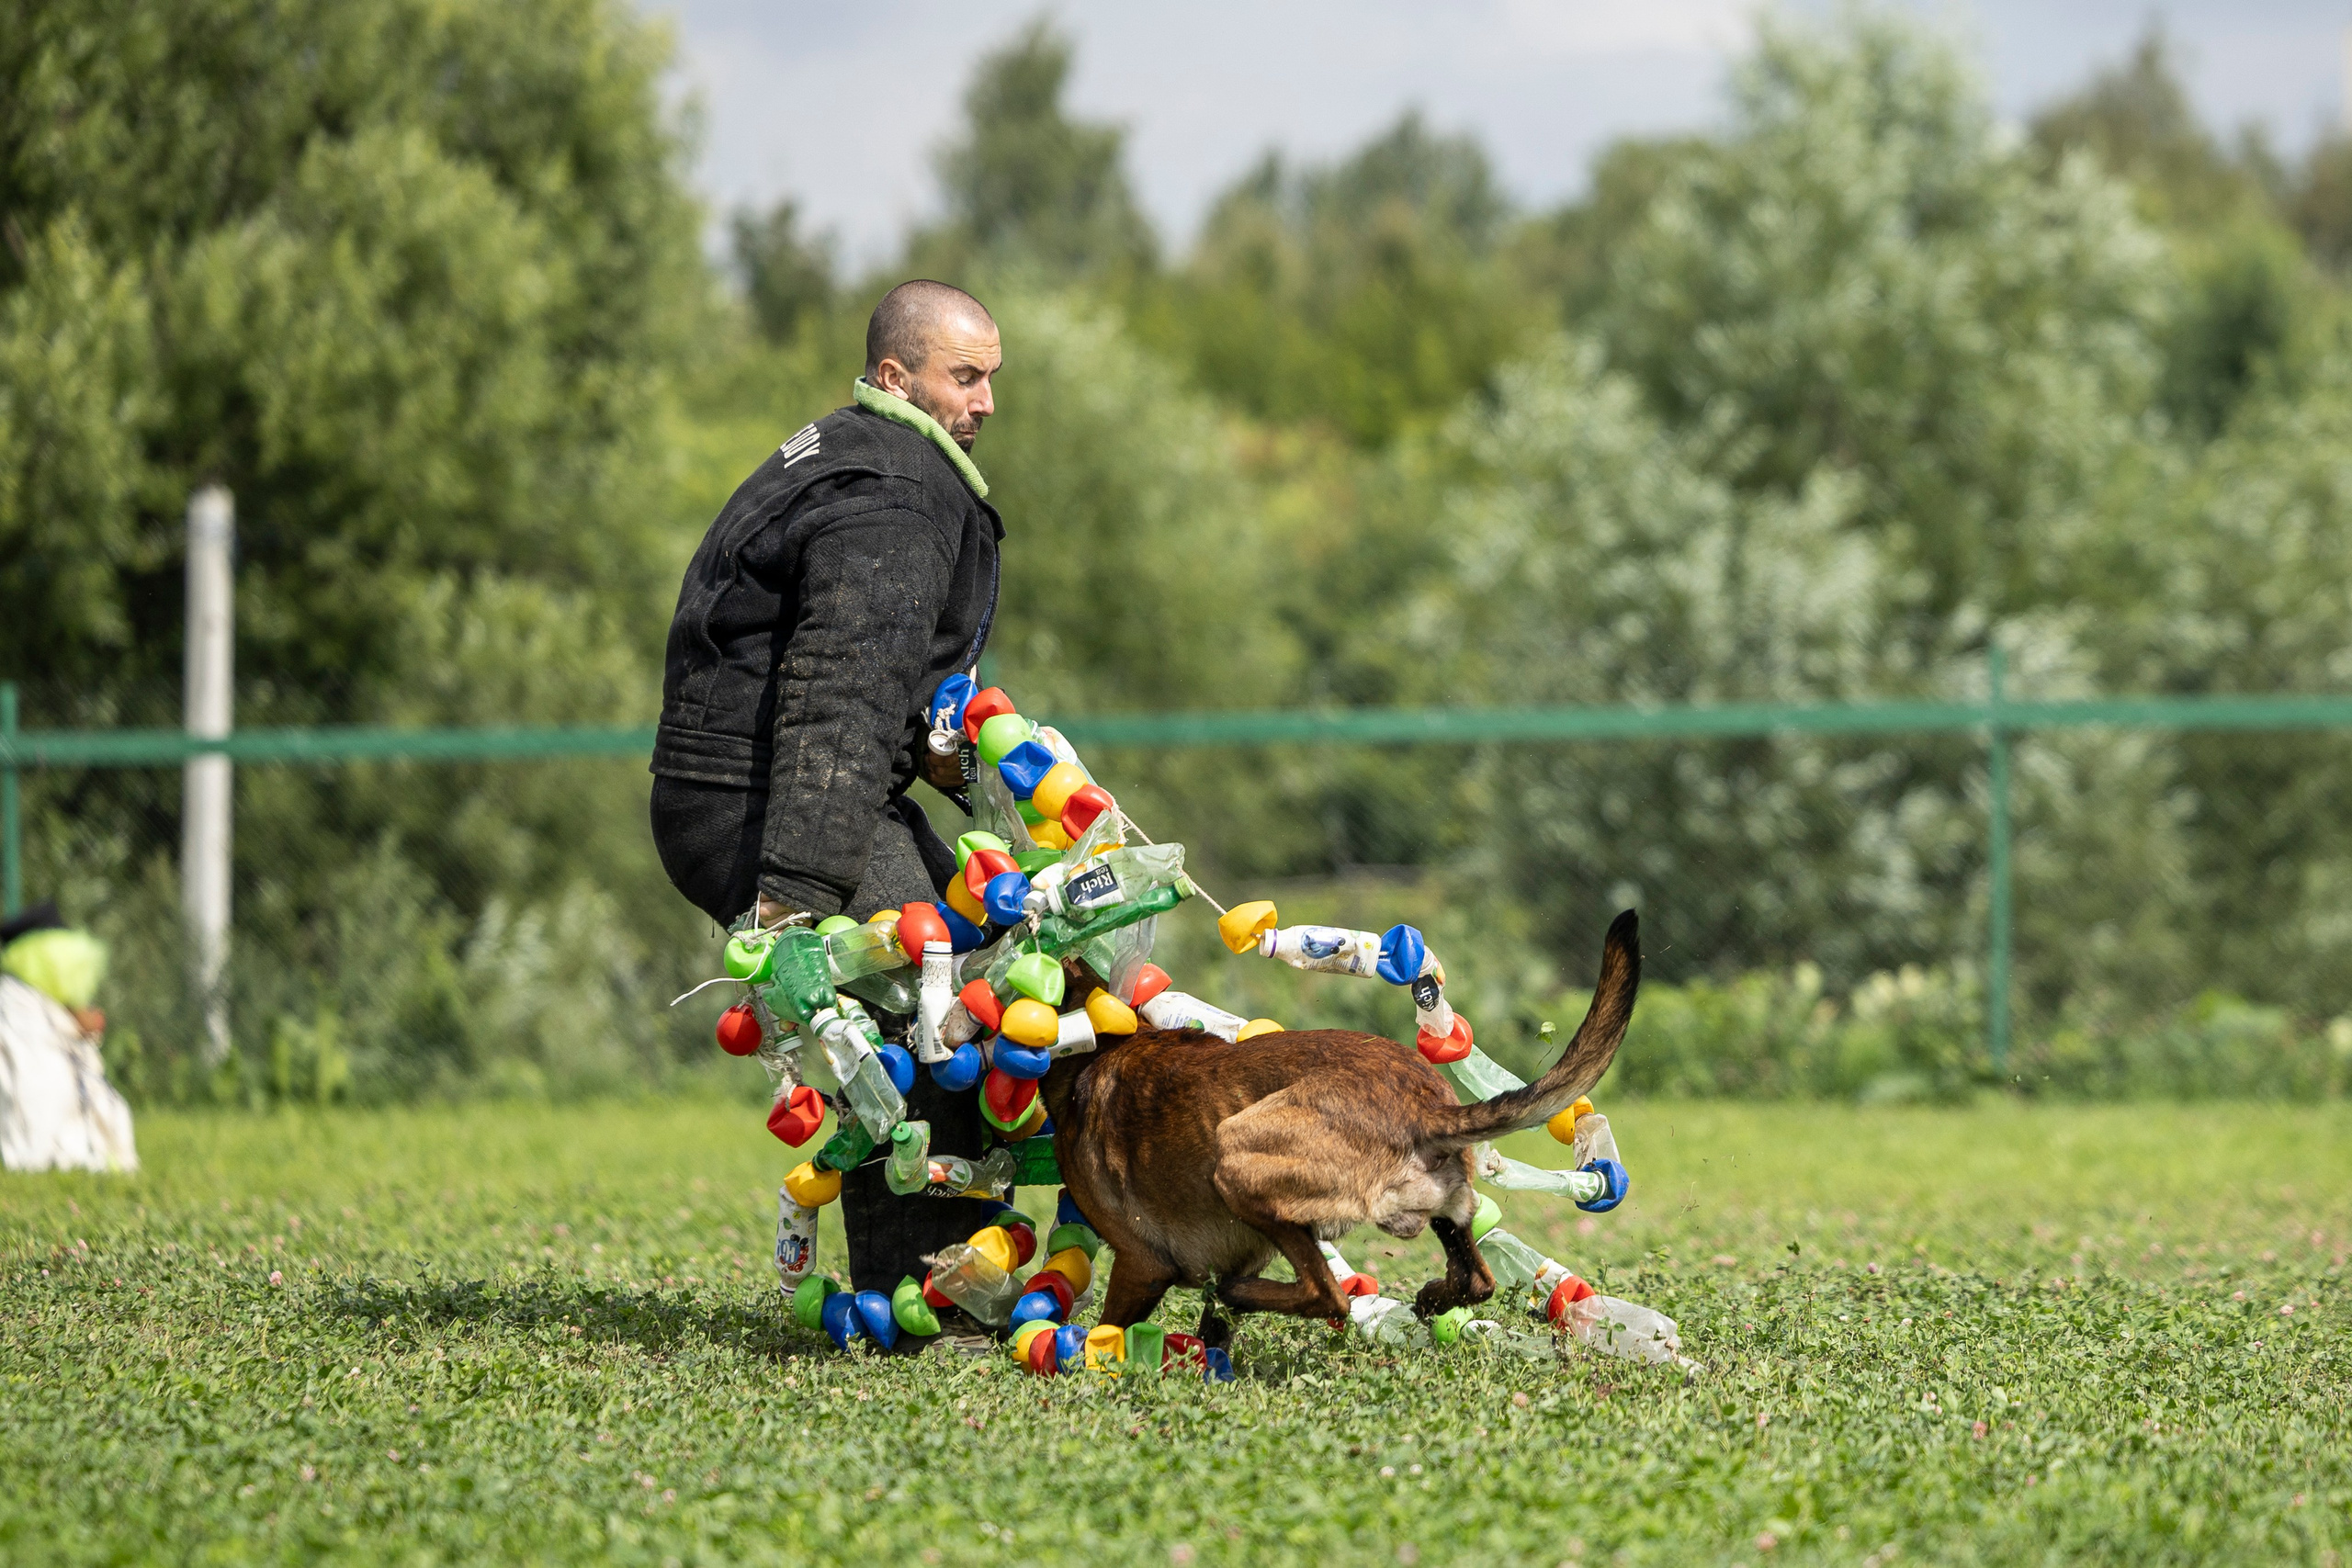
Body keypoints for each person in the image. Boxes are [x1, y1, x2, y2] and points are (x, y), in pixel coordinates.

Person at [650, 280, 1005, 1339]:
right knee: (947, 1012)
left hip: (776, 793)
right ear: (896, 376)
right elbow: (840, 696)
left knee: (974, 975)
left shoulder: (858, 455)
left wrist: (945, 751)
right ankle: (929, 1305)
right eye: (965, 376)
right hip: (770, 808)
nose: (985, 401)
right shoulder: (895, 489)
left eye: (992, 376)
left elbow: (868, 688)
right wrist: (793, 898)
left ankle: (947, 1288)